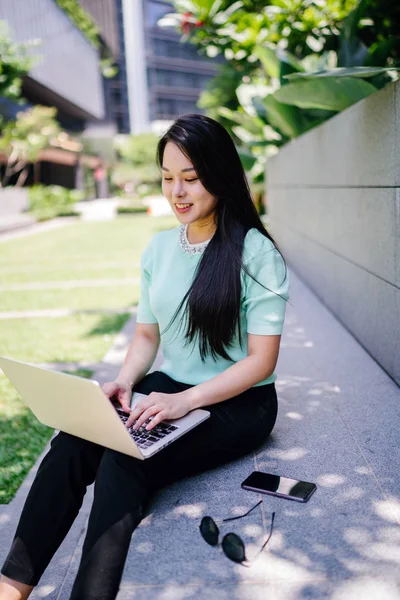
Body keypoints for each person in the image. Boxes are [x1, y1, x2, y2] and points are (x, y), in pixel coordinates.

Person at [0, 114, 289, 600]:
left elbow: (260, 362)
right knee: (74, 440)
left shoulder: (256, 252)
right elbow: (145, 337)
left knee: (124, 456)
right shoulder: (158, 250)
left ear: (219, 174)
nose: (177, 191)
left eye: (191, 179)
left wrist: (184, 402)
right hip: (171, 390)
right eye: (168, 177)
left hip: (241, 402)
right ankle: (12, 587)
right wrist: (125, 381)